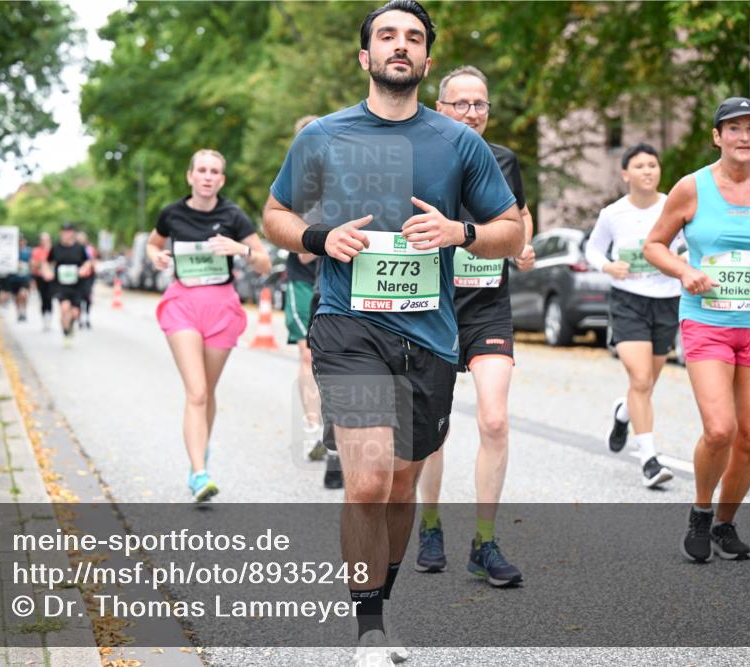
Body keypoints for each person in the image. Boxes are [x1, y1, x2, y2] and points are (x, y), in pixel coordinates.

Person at [262, 2, 523, 662]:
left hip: (431, 337)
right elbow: (276, 214)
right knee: (370, 478)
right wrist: (320, 237)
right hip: (347, 324)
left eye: (413, 38)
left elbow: (511, 231)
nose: (400, 46)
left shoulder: (459, 143)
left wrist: (460, 231)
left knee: (404, 483)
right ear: (366, 57)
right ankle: (370, 628)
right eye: (387, 36)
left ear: (426, 61)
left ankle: (381, 598)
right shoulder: (322, 135)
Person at [644, 97, 750, 563]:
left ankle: (725, 522)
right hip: (707, 322)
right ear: (717, 137)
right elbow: (654, 245)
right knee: (720, 430)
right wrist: (683, 271)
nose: (744, 137)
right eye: (733, 129)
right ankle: (700, 509)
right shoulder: (691, 188)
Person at [414, 65, 535, 585]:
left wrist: (522, 244)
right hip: (432, 304)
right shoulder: (418, 156)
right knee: (435, 432)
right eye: (459, 104)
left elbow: (520, 217)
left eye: (479, 104)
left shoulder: (504, 160)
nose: (470, 113)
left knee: (493, 421)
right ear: (441, 109)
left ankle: (484, 542)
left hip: (487, 304)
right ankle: (431, 526)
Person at [147, 149, 271, 502]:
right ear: (190, 176)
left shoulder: (233, 215)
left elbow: (263, 263)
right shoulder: (172, 213)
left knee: (208, 392)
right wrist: (154, 256)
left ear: (222, 180)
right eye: (201, 170)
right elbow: (153, 243)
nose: (207, 176)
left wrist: (239, 249)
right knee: (197, 391)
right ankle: (200, 473)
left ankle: (198, 454)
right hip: (182, 304)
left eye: (214, 171)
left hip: (221, 308)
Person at [585, 143, 681, 489]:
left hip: (667, 301)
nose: (647, 171)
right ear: (626, 174)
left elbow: (689, 244)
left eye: (653, 165)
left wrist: (683, 264)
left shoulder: (674, 206)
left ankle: (622, 413)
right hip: (628, 302)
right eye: (639, 166)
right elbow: (593, 249)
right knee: (640, 379)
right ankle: (649, 461)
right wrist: (608, 265)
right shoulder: (613, 213)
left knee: (647, 384)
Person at [283, 115, 326, 463]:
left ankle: (334, 424)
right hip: (302, 280)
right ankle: (313, 429)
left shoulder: (346, 179)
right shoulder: (295, 188)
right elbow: (303, 252)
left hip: (337, 280)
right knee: (307, 355)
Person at [44, 223, 93, 346]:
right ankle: (66, 333)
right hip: (61, 284)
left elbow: (88, 262)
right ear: (61, 233)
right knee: (64, 308)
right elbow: (46, 262)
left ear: (73, 233)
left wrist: (84, 268)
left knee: (75, 313)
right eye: (64, 231)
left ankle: (70, 326)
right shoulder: (56, 248)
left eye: (69, 231)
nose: (66, 234)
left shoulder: (79, 248)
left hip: (77, 285)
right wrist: (47, 272)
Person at [31, 232, 55, 330]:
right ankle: (44, 318)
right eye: (43, 240)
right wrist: (42, 264)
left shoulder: (52, 250)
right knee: (43, 297)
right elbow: (33, 264)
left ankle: (49, 318)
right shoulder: (36, 251)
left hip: (51, 277)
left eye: (46, 239)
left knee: (49, 297)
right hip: (40, 277)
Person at [77, 230, 97, 329]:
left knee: (87, 297)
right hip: (78, 277)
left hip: (88, 277)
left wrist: (89, 266)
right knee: (79, 299)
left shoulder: (89, 249)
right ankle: (80, 318)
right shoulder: (75, 249)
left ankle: (87, 317)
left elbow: (93, 262)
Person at [9, 235, 32, 322]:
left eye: (22, 241)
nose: (21, 242)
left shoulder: (29, 251)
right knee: (16, 297)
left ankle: (24, 311)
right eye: (19, 241)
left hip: (25, 277)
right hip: (14, 278)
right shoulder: (12, 252)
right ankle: (19, 312)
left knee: (23, 294)